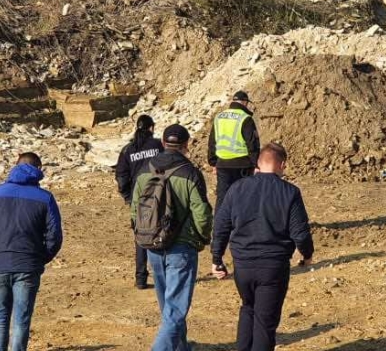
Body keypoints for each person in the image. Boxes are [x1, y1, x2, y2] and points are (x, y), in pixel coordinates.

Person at [211, 143, 313, 351]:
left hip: (243, 266)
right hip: (273, 267)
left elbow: (221, 225)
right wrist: (307, 255)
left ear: (258, 163)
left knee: (248, 308)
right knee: (265, 322)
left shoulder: (237, 188)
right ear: (282, 165)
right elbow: (300, 233)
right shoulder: (290, 192)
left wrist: (217, 259)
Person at [132, 125, 212, 351]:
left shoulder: (145, 170)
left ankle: (180, 348)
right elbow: (202, 214)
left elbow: (135, 209)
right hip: (182, 247)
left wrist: (142, 235)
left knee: (169, 306)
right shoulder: (190, 173)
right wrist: (203, 237)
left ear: (163, 143)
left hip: (152, 245)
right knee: (175, 309)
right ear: (186, 145)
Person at [0, 152, 63, 351]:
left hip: (1, 263)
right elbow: (55, 236)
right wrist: (41, 257)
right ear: (38, 169)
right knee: (21, 319)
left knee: (0, 316)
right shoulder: (45, 198)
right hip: (28, 265)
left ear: (15, 166)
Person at [116, 115, 163, 289]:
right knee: (163, 232)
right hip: (159, 195)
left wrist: (128, 197)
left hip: (139, 199)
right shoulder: (158, 145)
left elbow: (121, 176)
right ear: (151, 128)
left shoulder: (128, 150)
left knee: (141, 238)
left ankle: (141, 278)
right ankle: (162, 276)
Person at [208, 91, 260, 212]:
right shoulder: (245, 118)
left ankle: (219, 228)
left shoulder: (219, 117)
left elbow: (212, 142)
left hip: (223, 164)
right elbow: (252, 144)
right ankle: (241, 227)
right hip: (242, 165)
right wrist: (256, 164)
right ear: (245, 102)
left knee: (222, 198)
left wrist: (213, 162)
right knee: (243, 197)